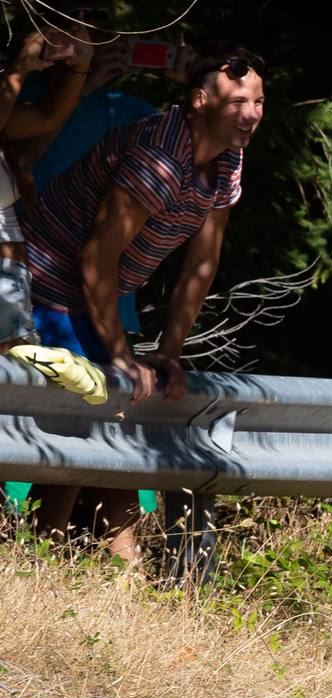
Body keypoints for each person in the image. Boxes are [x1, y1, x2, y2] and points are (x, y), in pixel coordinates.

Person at [24, 45, 263, 562]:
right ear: (200, 101)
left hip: (86, 296)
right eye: (239, 102)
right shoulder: (159, 157)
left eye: (260, 103)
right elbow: (95, 259)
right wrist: (121, 354)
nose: (252, 115)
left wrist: (170, 352)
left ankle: (122, 565)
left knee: (119, 415)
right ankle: (38, 562)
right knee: (90, 415)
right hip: (45, 284)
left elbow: (202, 265)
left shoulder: (228, 159)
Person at [0, 21, 105, 401]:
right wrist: (20, 66)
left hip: (11, 269)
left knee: (16, 377)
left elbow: (46, 118)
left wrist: (80, 69)